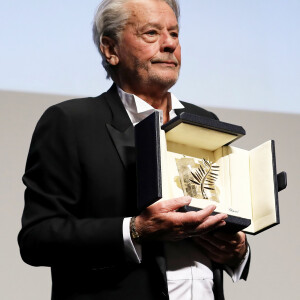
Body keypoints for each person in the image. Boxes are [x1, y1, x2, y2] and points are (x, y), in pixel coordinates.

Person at [18, 0, 250, 299]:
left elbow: (224, 222)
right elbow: (38, 239)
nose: (168, 44)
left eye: (175, 34)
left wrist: (237, 250)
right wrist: (137, 230)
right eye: (151, 33)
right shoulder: (71, 122)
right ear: (110, 49)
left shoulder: (206, 122)